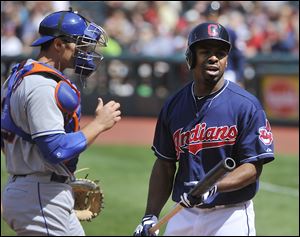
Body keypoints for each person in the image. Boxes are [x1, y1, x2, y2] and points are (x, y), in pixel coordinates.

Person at [133, 22, 274, 236]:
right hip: (183, 212)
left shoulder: (245, 105)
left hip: (230, 216)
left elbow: (253, 168)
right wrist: (150, 214)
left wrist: (215, 186)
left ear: (227, 59)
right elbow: (165, 164)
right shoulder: (174, 106)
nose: (214, 58)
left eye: (220, 53)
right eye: (205, 51)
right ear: (191, 57)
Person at [1, 9, 121, 236]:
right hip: (39, 195)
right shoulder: (42, 86)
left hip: (36, 189)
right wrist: (100, 124)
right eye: (81, 45)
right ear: (58, 44)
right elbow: (56, 150)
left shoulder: (17, 76)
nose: (86, 53)